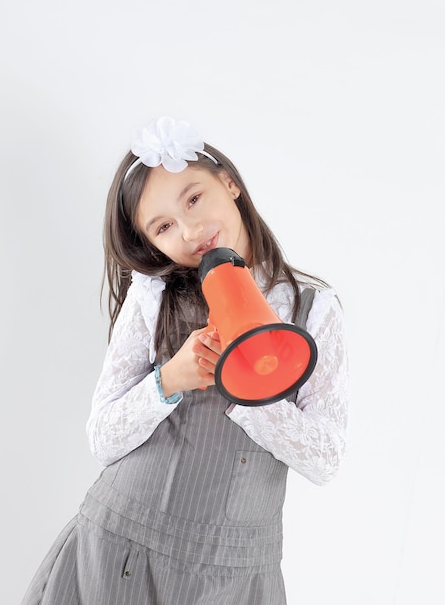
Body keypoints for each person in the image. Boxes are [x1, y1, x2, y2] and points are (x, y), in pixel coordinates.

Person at [21, 116, 349, 605]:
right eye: (164, 226)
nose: (191, 230)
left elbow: (325, 459)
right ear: (151, 244)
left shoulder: (312, 311)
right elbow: (102, 437)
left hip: (235, 579)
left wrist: (249, 391)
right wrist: (169, 379)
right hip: (122, 554)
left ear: (230, 183)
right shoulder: (152, 295)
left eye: (193, 198)